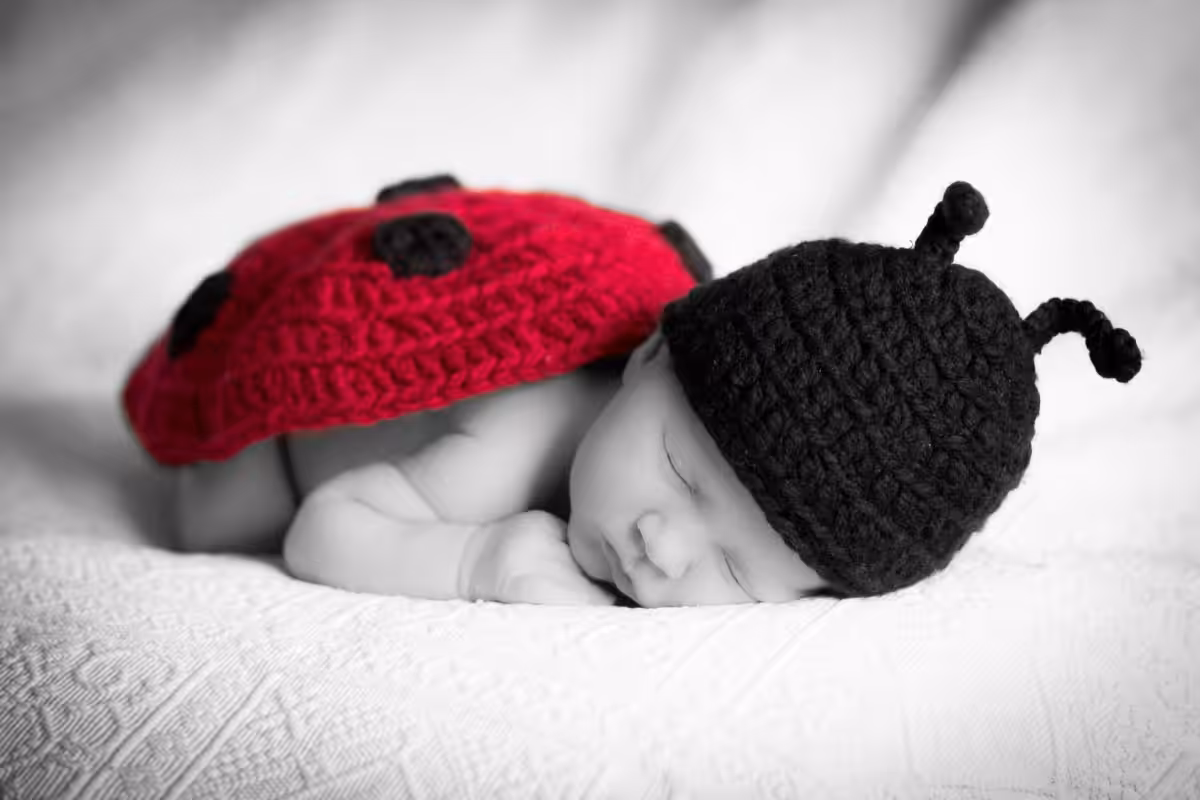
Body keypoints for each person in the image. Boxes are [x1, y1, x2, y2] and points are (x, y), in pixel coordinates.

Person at [125, 178, 1142, 608]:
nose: (662, 546)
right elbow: (326, 526)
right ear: (652, 355)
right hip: (300, 426)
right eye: (678, 472)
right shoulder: (514, 446)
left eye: (736, 571)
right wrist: (474, 559)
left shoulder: (666, 497)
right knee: (217, 518)